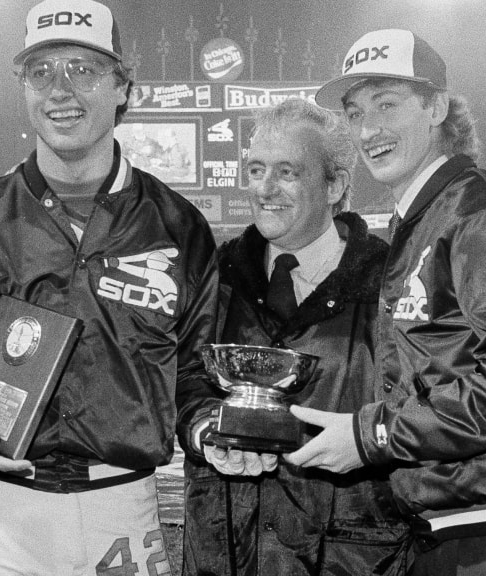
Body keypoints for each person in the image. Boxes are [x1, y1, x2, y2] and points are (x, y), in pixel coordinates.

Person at [0, 1, 218, 574]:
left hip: (121, 499)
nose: (61, 90)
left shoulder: (180, 227)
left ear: (123, 87)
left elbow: (197, 371)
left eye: (84, 70)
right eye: (42, 72)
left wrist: (210, 426)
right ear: (24, 89)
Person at [286, 29, 486, 575]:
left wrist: (371, 434)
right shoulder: (429, 218)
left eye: (387, 104)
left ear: (435, 107)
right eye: (356, 113)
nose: (368, 129)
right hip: (457, 528)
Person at [179, 98, 411, 575]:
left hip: (350, 561)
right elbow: (183, 383)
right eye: (256, 170)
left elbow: (419, 412)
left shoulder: (392, 282)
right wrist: (205, 431)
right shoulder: (215, 274)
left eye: (287, 172)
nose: (265, 189)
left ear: (335, 185)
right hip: (222, 557)